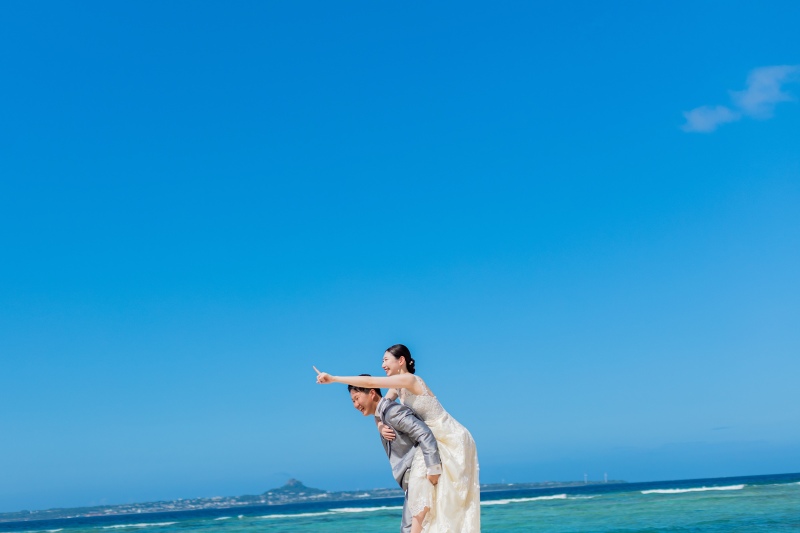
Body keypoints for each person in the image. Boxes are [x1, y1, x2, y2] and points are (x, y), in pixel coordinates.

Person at [314, 344, 480, 532]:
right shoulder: (397, 387)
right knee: (434, 497)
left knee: (437, 493)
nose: (382, 365)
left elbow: (369, 384)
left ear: (401, 361)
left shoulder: (409, 379)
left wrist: (333, 378)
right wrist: (380, 426)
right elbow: (380, 408)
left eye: (386, 360)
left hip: (448, 435)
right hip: (430, 436)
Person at [346, 376, 442, 533]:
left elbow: (424, 434)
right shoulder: (383, 415)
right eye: (353, 401)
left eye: (357, 398)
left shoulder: (392, 412)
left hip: (420, 477)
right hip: (412, 482)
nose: (356, 405)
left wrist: (433, 468)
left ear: (372, 393)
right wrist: (379, 426)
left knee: (409, 528)